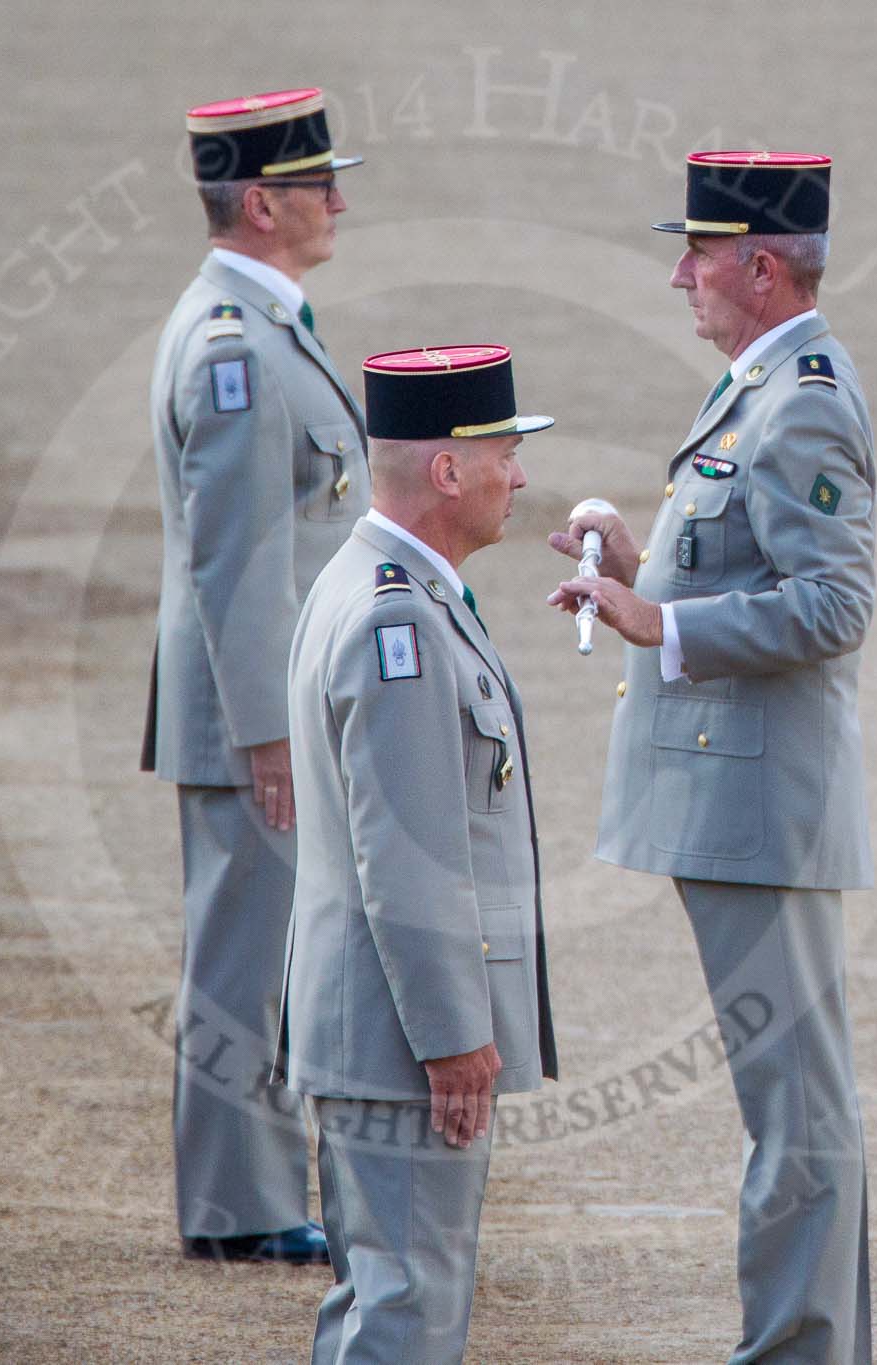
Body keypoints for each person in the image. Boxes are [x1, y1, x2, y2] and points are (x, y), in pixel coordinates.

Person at [548, 151, 877, 1364]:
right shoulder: (764, 384)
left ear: (761, 268)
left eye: (698, 254)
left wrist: (661, 625)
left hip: (760, 809)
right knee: (791, 1104)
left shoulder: (803, 399)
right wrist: (639, 569)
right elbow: (748, 567)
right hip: (736, 800)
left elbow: (833, 605)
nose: (678, 274)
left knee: (795, 1113)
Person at [276, 345, 557, 1363]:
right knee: (406, 1309)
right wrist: (452, 1036)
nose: (518, 476)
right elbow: (406, 856)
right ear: (446, 470)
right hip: (400, 1040)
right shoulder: (396, 617)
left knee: (384, 1298)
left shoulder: (376, 584)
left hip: (375, 1026)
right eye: (502, 455)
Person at [140, 86, 369, 1264]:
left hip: (260, 704)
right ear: (262, 204)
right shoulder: (234, 345)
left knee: (268, 949)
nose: (339, 202)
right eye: (320, 184)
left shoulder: (260, 322)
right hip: (251, 712)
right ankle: (239, 1207)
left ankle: (259, 1191)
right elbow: (236, 563)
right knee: (245, 959)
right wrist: (269, 732)